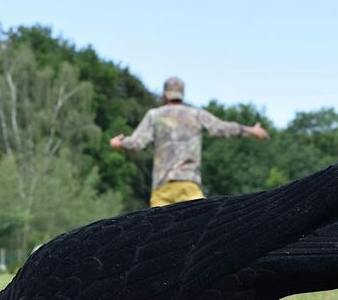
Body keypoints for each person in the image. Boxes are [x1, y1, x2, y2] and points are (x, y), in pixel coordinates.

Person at [109, 76, 269, 207]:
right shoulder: (195, 114)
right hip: (188, 183)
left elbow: (138, 142)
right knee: (197, 231)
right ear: (181, 94)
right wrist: (250, 130)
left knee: (158, 236)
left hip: (162, 186)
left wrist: (119, 143)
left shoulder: (154, 115)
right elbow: (220, 128)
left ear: (165, 95)